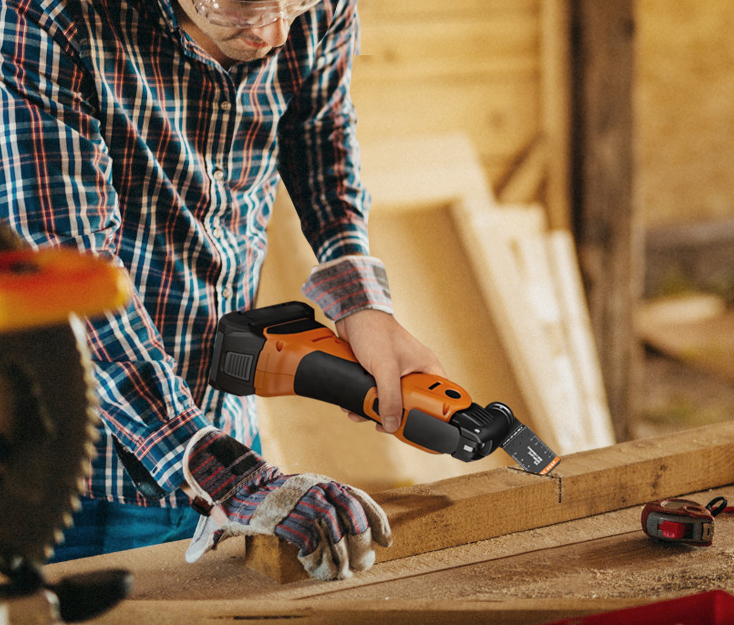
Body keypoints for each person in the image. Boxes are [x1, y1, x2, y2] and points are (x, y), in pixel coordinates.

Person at [0, 0, 438, 580]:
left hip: (224, 438)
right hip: (69, 467)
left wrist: (361, 301)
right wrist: (231, 477)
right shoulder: (46, 17)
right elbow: (69, 285)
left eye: (298, 3)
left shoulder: (315, 9)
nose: (278, 33)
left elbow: (319, 133)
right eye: (247, 6)